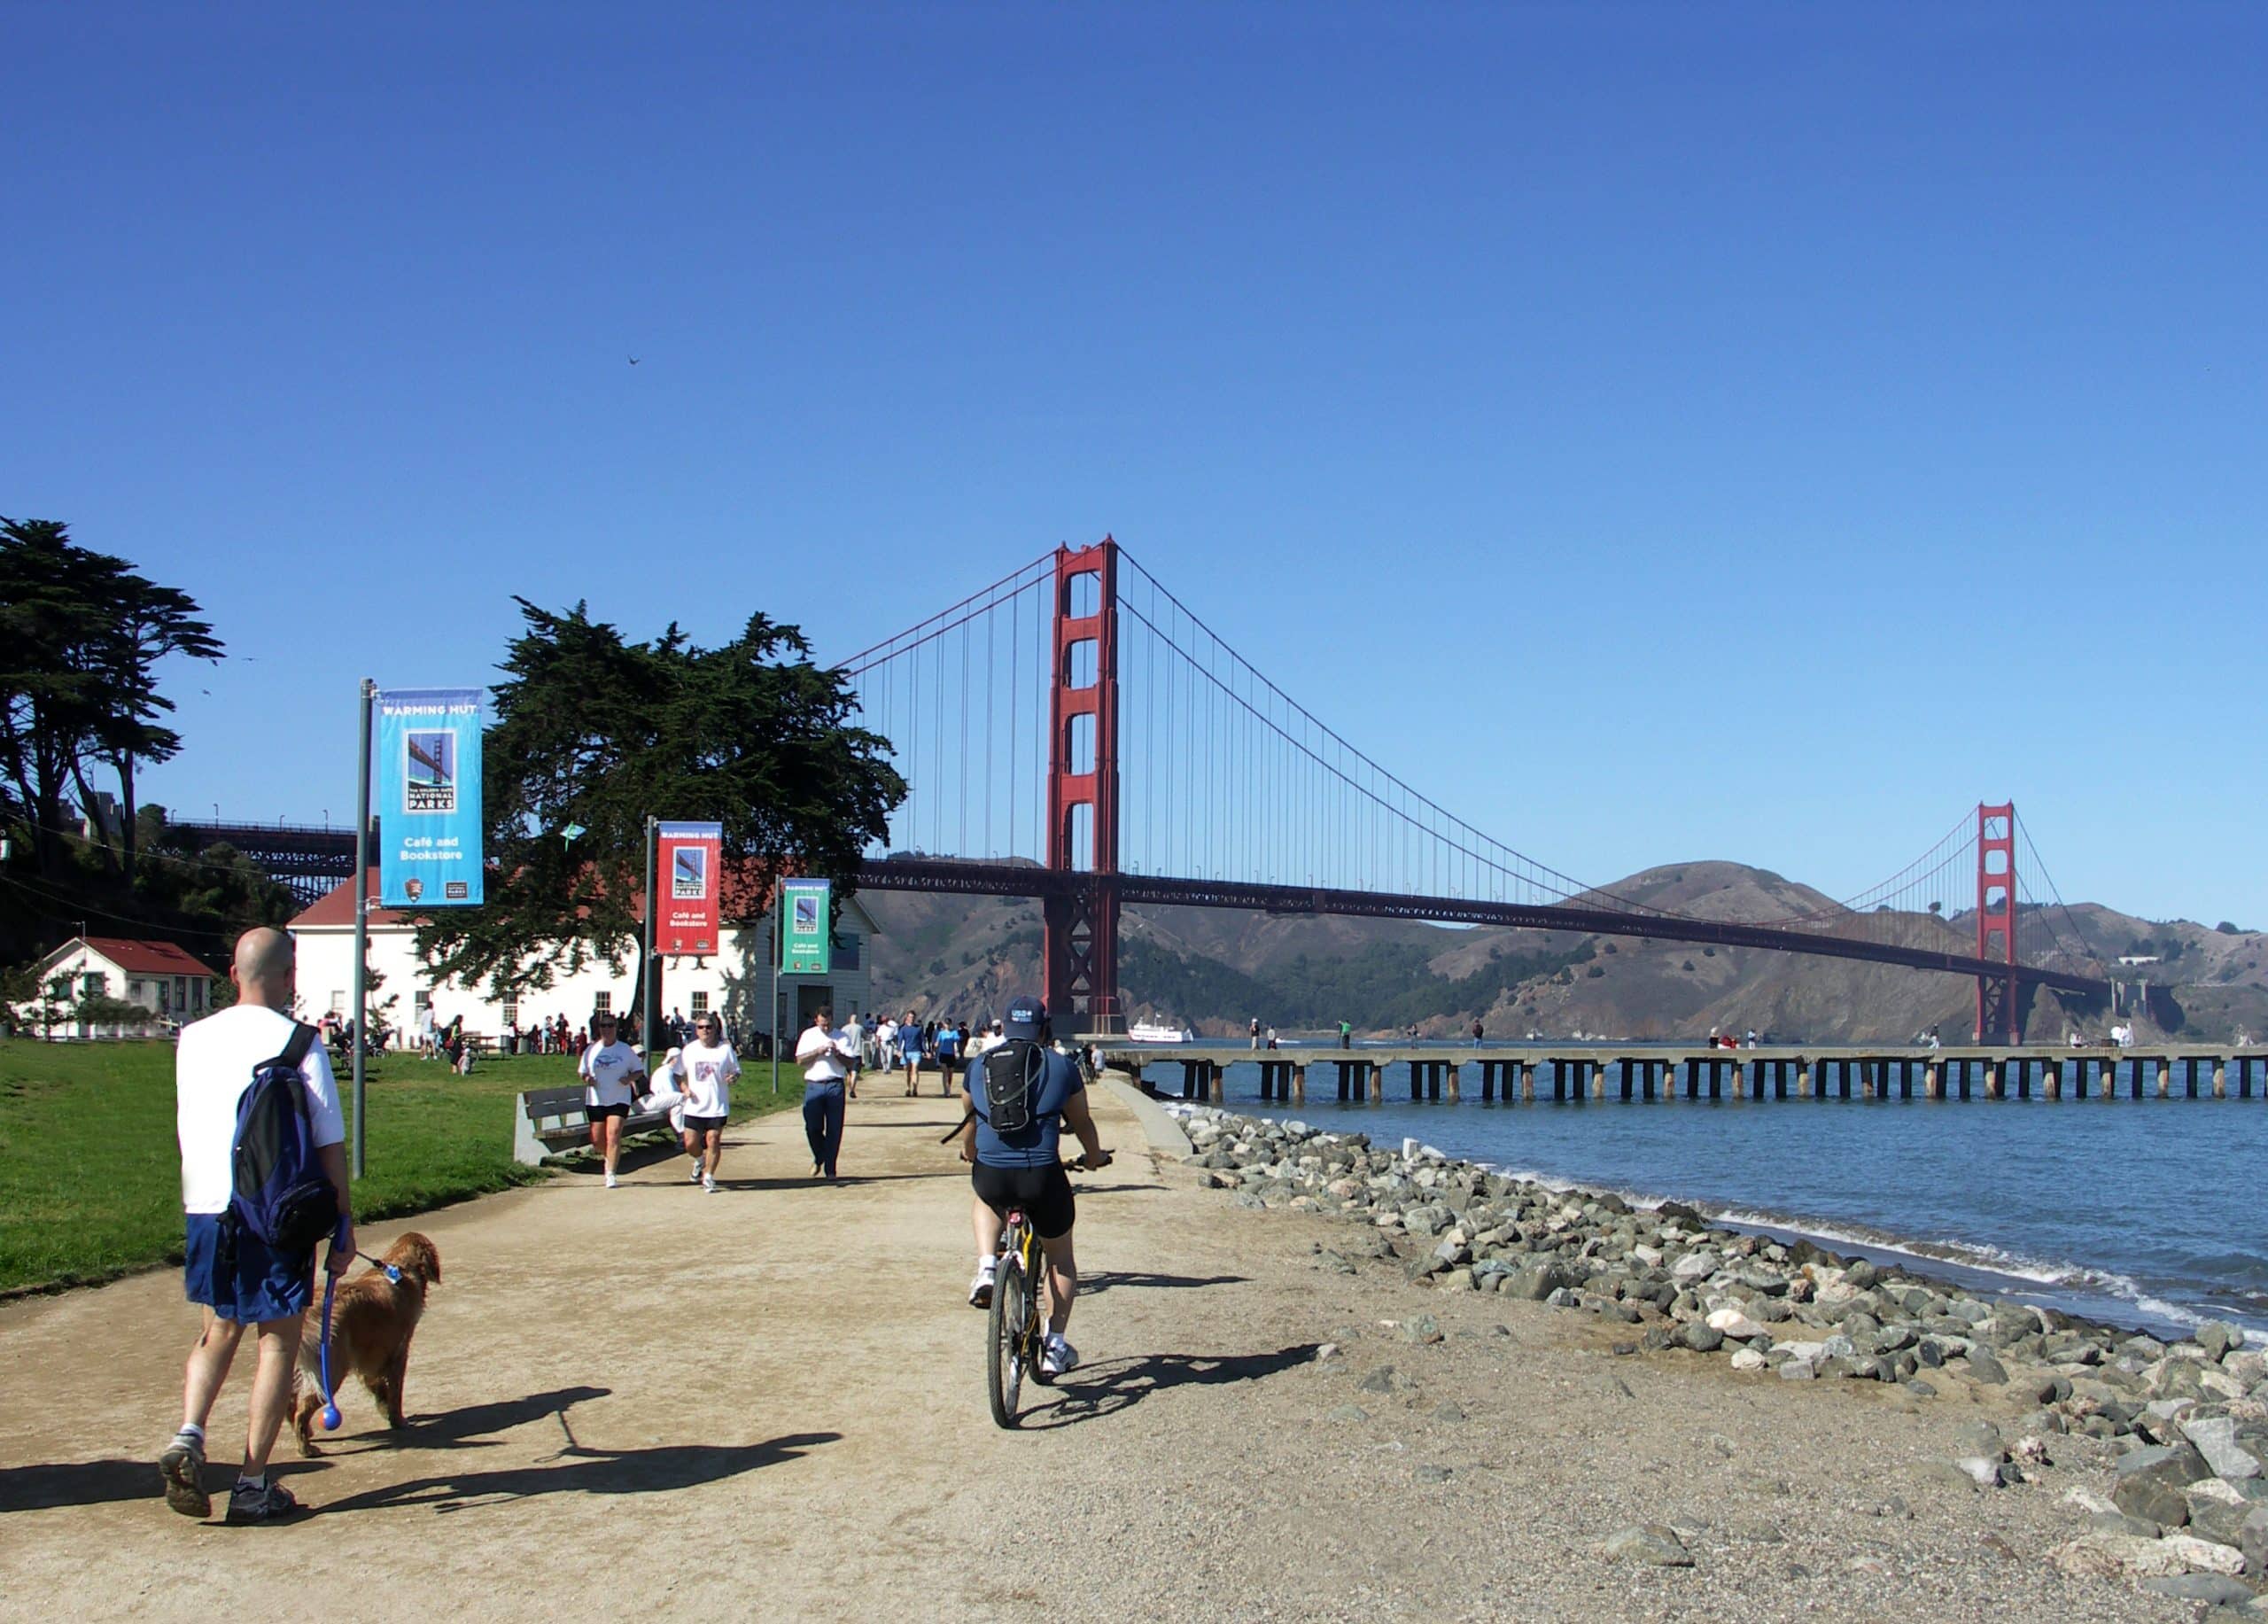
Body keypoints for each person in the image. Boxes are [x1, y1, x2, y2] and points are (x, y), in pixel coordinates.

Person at [159, 927, 353, 1526]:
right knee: (277, 1340)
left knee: (218, 1328)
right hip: (276, 1212)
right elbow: (329, 1146)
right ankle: (250, 1482)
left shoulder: (191, 1038)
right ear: (284, 975)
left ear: (234, 973)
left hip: (208, 1207)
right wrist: (342, 1225)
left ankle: (189, 1435)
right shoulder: (301, 1042)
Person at [958, 996, 1109, 1379]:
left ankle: (988, 1267)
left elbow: (970, 1117)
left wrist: (969, 1152)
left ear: (1005, 1028)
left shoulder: (980, 1065)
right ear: (1045, 1029)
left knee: (985, 1197)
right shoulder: (1062, 1066)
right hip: (1042, 1176)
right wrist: (1094, 1157)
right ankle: (1054, 1346)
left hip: (993, 1175)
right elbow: (1082, 1122)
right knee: (1061, 1260)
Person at [579, 1013, 648, 1188]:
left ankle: (610, 1173)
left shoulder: (625, 1050)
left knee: (614, 1133)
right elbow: (582, 1072)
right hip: (596, 1099)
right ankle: (608, 1156)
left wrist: (629, 1078)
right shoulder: (591, 1050)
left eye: (610, 1026)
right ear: (599, 1028)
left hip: (619, 1098)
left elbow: (638, 1070)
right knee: (597, 1139)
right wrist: (587, 1079)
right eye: (604, 1026)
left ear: (616, 1028)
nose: (607, 1029)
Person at [674, 1014, 740, 1193]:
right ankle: (699, 1160)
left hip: (717, 1105)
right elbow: (677, 1074)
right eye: (701, 1027)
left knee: (713, 1140)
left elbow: (736, 1071)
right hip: (695, 1106)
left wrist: (733, 1077)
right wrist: (684, 1088)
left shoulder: (725, 1050)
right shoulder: (689, 1050)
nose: (705, 1031)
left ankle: (709, 1176)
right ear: (696, 1030)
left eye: (709, 1027)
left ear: (715, 1029)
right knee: (690, 1143)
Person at [796, 1007, 857, 1178]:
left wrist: (837, 1053)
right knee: (812, 1127)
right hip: (814, 1084)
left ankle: (831, 1168)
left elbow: (851, 1062)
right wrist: (817, 1051)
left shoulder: (841, 1036)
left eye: (828, 1024)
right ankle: (820, 1155)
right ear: (817, 1021)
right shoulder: (809, 1035)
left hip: (835, 1084)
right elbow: (800, 1060)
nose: (825, 1027)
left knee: (834, 1129)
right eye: (822, 1024)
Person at [897, 1008, 924, 1096]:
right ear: (907, 1018)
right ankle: (908, 1088)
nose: (911, 1019)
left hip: (916, 1052)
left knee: (915, 1069)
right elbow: (900, 1040)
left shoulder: (919, 1029)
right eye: (910, 1017)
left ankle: (915, 1089)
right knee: (907, 1071)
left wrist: (926, 1051)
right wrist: (898, 1050)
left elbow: (922, 1041)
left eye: (913, 1017)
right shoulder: (903, 1029)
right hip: (906, 1052)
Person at [934, 1018, 961, 1092]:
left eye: (949, 1024)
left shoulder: (954, 1033)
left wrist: (957, 1051)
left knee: (950, 1073)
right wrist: (935, 1046)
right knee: (945, 1073)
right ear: (944, 1025)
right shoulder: (941, 1033)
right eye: (946, 1024)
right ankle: (946, 1090)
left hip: (951, 1055)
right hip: (943, 1054)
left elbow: (956, 1042)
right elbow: (937, 1042)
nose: (947, 1025)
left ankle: (949, 1086)